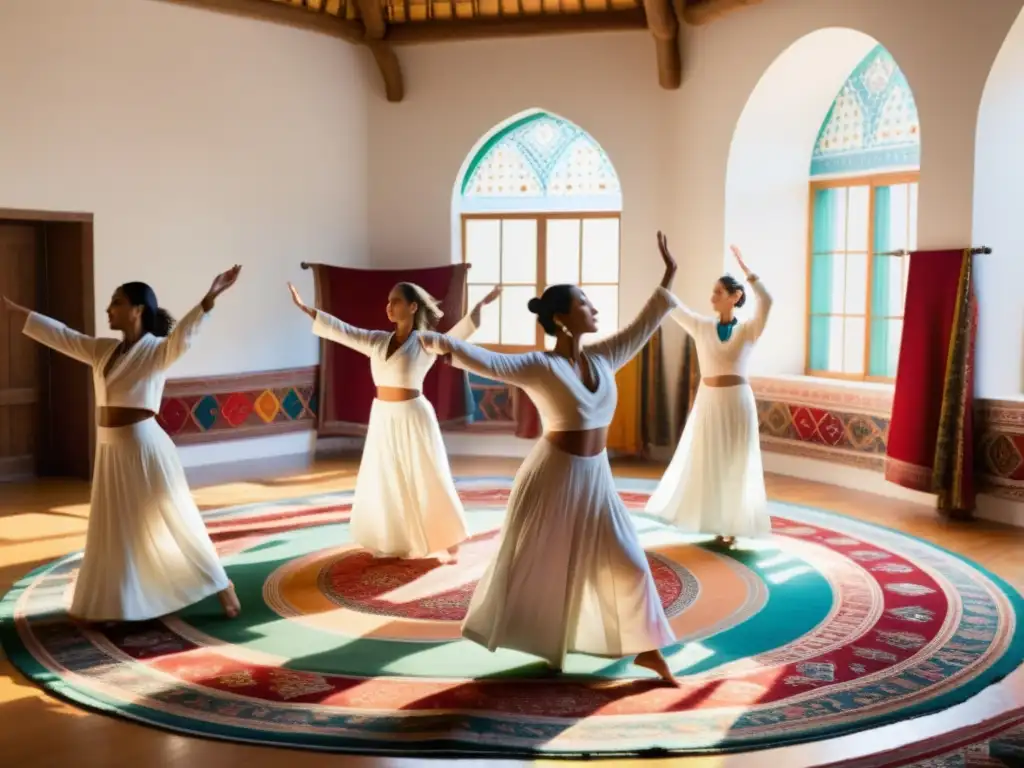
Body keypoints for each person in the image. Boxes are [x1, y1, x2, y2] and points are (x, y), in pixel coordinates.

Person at [417, 232, 681, 684]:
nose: (594, 310)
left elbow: (643, 327)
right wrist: (443, 344)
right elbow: (489, 362)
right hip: (554, 476)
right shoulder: (540, 365)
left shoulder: (604, 357)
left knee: (630, 562)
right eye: (584, 303)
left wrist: (669, 276)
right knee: (546, 566)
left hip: (597, 477)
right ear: (561, 318)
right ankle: (547, 644)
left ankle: (647, 650)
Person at [2, 267, 244, 622]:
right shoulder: (103, 350)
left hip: (146, 450)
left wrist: (208, 299)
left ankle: (222, 584)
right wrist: (13, 310)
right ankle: (120, 603)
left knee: (175, 518)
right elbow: (63, 336)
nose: (108, 309)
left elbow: (185, 337)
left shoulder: (158, 352)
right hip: (110, 451)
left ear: (137, 310)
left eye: (116, 302)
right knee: (117, 529)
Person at [288, 280, 499, 561]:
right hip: (383, 417)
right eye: (388, 301)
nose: (389, 307)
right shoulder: (376, 340)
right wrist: (307, 310)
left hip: (414, 416)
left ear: (413, 307)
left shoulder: (425, 341)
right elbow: (343, 331)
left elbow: (457, 336)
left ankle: (445, 534)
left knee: (425, 476)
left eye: (396, 301)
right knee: (387, 479)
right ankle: (393, 537)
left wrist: (480, 308)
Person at [645, 244, 773, 547]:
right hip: (709, 402)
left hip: (738, 403)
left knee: (734, 462)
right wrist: (669, 271)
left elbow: (767, 300)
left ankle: (732, 524)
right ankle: (713, 521)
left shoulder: (749, 330)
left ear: (735, 296)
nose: (712, 297)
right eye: (712, 292)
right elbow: (669, 304)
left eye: (718, 292)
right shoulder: (702, 326)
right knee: (709, 461)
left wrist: (747, 272)